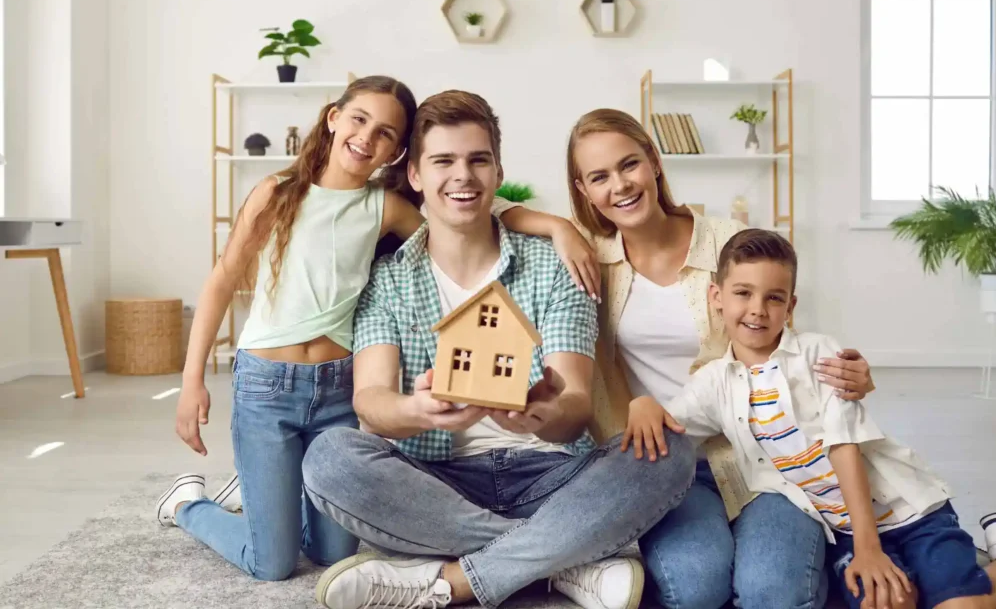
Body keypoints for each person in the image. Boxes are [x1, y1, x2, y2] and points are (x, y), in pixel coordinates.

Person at [154, 76, 598, 582]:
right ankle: (191, 505)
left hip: (338, 385)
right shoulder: (275, 193)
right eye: (359, 119)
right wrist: (191, 381)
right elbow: (220, 283)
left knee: (333, 554)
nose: (367, 137)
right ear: (332, 118)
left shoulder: (385, 208)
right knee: (272, 563)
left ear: (396, 155)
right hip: (266, 383)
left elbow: (456, 216)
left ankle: (270, 495)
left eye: (386, 133)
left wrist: (554, 225)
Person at [301, 90, 696, 609]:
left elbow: (574, 407)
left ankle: (457, 579)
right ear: (416, 175)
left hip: (552, 476)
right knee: (330, 458)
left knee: (670, 452)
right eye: (444, 161)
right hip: (437, 482)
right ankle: (562, 562)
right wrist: (417, 410)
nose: (462, 176)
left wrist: (539, 413)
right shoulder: (388, 280)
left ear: (497, 170)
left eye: (477, 160)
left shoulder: (555, 264)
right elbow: (370, 400)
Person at [557, 107, 878, 608]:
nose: (620, 185)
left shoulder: (728, 240)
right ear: (583, 189)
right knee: (695, 588)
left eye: (630, 164)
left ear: (655, 163)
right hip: (666, 462)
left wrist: (848, 373)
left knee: (773, 591)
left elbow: (786, 336)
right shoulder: (589, 258)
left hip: (770, 456)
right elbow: (495, 218)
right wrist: (553, 226)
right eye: (599, 177)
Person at [653, 227, 996, 609]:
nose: (758, 309)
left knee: (964, 608)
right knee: (889, 601)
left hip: (909, 512)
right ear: (717, 296)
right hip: (843, 531)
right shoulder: (713, 383)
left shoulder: (821, 356)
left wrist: (869, 548)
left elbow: (844, 447)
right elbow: (670, 423)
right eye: (743, 293)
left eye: (774, 298)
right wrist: (641, 407)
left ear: (791, 306)